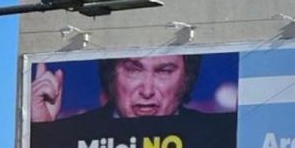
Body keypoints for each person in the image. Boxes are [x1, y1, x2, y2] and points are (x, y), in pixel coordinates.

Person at [31, 54, 202, 122]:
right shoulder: (74, 135)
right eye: (134, 70)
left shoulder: (210, 137)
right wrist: (44, 131)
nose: (147, 91)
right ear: (112, 74)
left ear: (186, 79)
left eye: (164, 71)